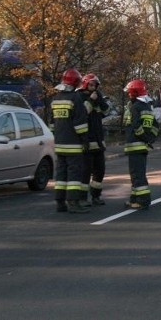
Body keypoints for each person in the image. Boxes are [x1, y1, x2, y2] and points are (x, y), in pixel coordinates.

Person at [51, 68, 91, 214]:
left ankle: (60, 202)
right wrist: (85, 140)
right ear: (75, 82)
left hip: (59, 144)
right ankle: (73, 202)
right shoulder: (75, 99)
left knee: (61, 174)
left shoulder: (55, 98)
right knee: (74, 175)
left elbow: (52, 124)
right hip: (73, 145)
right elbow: (80, 124)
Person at [123, 78, 159, 210]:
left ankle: (143, 200)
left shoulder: (135, 107)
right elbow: (155, 126)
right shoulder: (147, 107)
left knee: (137, 175)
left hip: (135, 146)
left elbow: (136, 126)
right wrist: (150, 139)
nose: (128, 95)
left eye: (130, 92)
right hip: (142, 147)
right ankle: (134, 198)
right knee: (137, 174)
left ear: (134, 93)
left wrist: (143, 137)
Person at [78, 73, 110, 206]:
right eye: (91, 84)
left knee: (100, 171)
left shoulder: (98, 96)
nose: (93, 87)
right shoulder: (79, 97)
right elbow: (83, 113)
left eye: (95, 85)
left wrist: (100, 101)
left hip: (98, 141)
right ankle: (82, 198)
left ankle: (96, 196)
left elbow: (106, 111)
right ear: (85, 84)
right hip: (87, 141)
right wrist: (91, 100)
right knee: (85, 172)